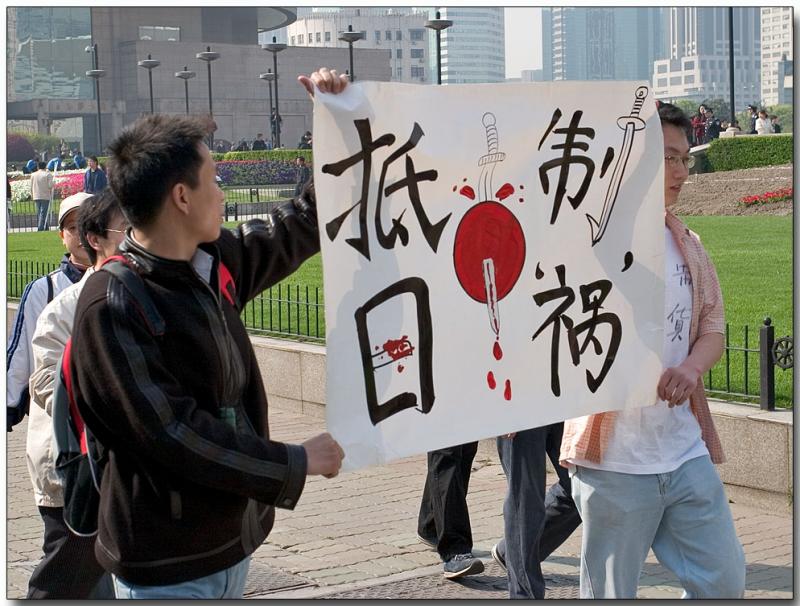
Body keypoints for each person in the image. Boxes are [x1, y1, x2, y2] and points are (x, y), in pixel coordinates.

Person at [67, 105, 344, 598]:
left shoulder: (210, 261)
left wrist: (342, 120)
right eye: (213, 179)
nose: (221, 193)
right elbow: (175, 434)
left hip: (231, 546)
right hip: (166, 564)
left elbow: (294, 227)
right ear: (180, 197)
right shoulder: (111, 303)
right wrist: (295, 462)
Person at [560, 101, 746, 599]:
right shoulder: (587, 241)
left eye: (685, 158)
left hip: (684, 452)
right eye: (668, 157)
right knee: (609, 594)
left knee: (725, 584)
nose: (681, 171)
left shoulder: (687, 241)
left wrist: (691, 367)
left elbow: (713, 327)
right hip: (615, 461)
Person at [25, 191, 126, 599]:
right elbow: (44, 380)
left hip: (123, 470)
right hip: (74, 471)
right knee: (63, 581)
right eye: (127, 230)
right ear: (96, 239)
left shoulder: (143, 297)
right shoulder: (65, 306)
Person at [7, 193, 91, 429]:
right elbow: (22, 349)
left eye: (89, 225)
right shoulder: (44, 289)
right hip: (52, 417)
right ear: (62, 235)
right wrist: (10, 402)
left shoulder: (121, 282)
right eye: (74, 227)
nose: (83, 235)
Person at [491, 422, 582, 598]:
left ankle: (512, 552)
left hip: (565, 404)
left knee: (580, 489)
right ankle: (524, 595)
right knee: (525, 501)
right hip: (521, 408)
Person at [31, 161, 55, 231]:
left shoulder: (33, 175)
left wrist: (32, 194)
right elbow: (50, 185)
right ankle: (41, 228)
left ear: (38, 167)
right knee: (43, 213)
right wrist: (54, 183)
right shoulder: (48, 174)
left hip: (36, 195)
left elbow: (31, 186)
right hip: (45, 195)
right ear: (45, 167)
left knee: (40, 213)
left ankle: (45, 227)